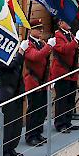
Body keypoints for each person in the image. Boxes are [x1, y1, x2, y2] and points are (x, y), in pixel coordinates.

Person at [23, 18, 54, 146]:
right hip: (33, 82)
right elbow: (35, 57)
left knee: (42, 110)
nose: (41, 31)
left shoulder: (41, 43)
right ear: (31, 30)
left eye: (42, 28)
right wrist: (49, 46)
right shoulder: (28, 44)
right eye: (38, 29)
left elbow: (47, 64)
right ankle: (31, 136)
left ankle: (38, 132)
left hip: (43, 82)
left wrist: (51, 80)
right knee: (33, 110)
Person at [50, 17, 79, 132]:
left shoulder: (70, 34)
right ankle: (60, 124)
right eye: (66, 20)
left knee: (70, 99)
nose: (70, 22)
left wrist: (75, 40)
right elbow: (65, 49)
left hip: (72, 72)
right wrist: (76, 41)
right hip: (62, 72)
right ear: (60, 23)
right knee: (62, 99)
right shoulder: (58, 36)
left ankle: (68, 122)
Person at [0, 41, 26, 156]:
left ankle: (12, 148)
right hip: (7, 96)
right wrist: (20, 53)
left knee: (17, 124)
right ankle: (4, 152)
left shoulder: (14, 57)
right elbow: (11, 66)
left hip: (17, 93)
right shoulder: (1, 57)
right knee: (8, 125)